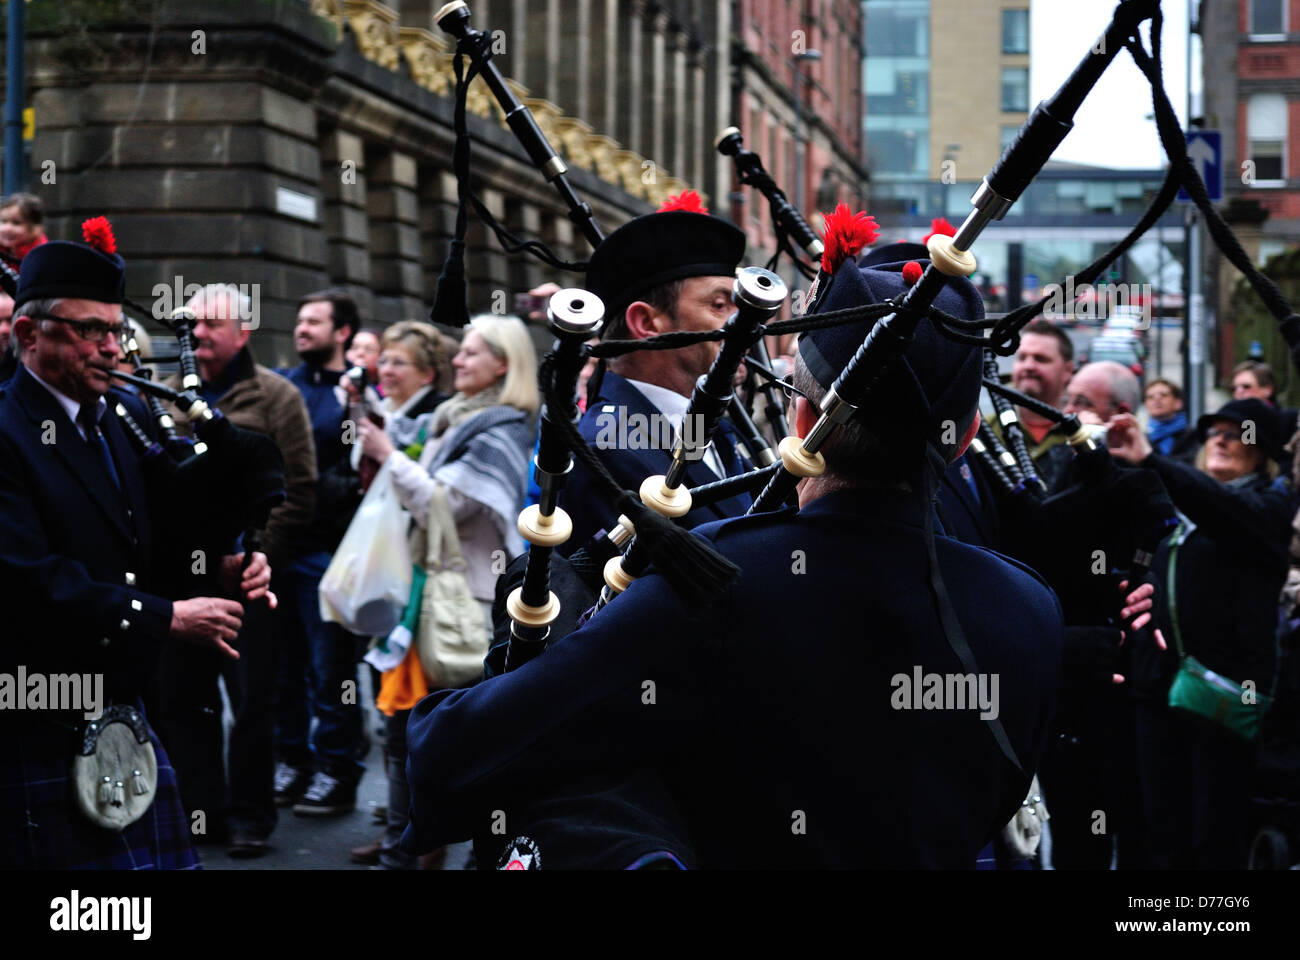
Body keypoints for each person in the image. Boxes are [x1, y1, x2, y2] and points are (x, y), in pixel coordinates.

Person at [401, 249, 1064, 869]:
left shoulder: (717, 580)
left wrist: (536, 632)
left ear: (801, 421)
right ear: (963, 440)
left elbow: (451, 754)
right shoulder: (1029, 607)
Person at [0, 227, 272, 868]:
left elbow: (146, 542)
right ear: (28, 336)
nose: (107, 348)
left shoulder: (118, 422)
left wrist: (223, 563)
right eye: (87, 330)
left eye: (114, 331)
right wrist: (165, 618)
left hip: (123, 703)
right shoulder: (7, 432)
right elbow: (23, 577)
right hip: (38, 707)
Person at [357, 313, 537, 870]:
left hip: (469, 603)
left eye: (472, 353)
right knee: (403, 731)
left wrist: (390, 456)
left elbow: (446, 502)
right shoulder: (452, 418)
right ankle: (407, 848)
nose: (457, 359)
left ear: (503, 365)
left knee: (446, 738)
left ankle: (448, 853)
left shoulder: (503, 427)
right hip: (425, 594)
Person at [156, 283, 317, 854]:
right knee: (186, 699)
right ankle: (201, 813)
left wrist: (257, 556)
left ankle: (252, 815)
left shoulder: (275, 396)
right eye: (190, 324)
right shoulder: (169, 394)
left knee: (252, 701)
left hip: (253, 579)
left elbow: (297, 489)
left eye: (209, 325)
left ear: (242, 332)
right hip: (186, 578)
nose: (195, 333)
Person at [1107, 398, 1294, 868]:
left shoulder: (1265, 509)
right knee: (1160, 830)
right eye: (1214, 431)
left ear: (1264, 452)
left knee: (1214, 835)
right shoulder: (1179, 509)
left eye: (1239, 433)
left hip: (1223, 695)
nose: (1223, 438)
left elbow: (1221, 509)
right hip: (1158, 688)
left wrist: (1151, 459)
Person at [561, 204, 755, 550]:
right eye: (720, 305)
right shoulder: (606, 449)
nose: (747, 327)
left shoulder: (709, 425)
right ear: (648, 324)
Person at [1143, 377, 1198, 464]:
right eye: (1150, 397)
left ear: (1178, 403)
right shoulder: (1142, 439)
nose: (1157, 399)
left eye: (1163, 395)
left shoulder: (1193, 437)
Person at [0, 192, 49, 264]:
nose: (7, 228)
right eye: (4, 221)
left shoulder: (41, 257)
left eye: (17, 223)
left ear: (36, 228)